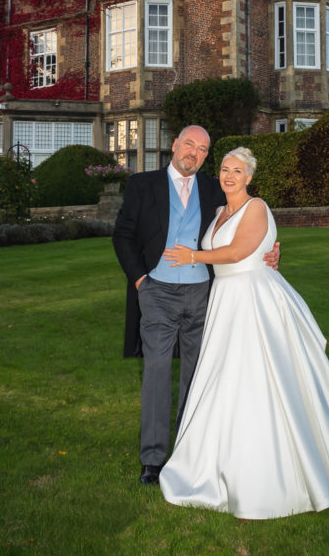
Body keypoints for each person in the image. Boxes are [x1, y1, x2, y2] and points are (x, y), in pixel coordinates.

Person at [158, 147, 329, 519]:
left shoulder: (257, 207)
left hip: (253, 299)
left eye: (238, 171)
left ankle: (276, 470)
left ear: (250, 177)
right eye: (225, 169)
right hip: (225, 300)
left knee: (260, 375)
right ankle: (216, 460)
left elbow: (239, 251)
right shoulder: (218, 212)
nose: (229, 175)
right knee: (223, 378)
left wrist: (193, 257)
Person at [112, 126, 279, 486]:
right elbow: (122, 234)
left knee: (199, 374)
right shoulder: (142, 184)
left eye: (202, 149)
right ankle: (153, 460)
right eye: (189, 144)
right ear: (175, 146)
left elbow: (242, 222)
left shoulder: (212, 187)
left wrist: (271, 249)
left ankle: (188, 451)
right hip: (157, 291)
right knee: (157, 371)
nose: (194, 153)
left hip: (204, 294)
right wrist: (141, 280)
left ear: (206, 157)